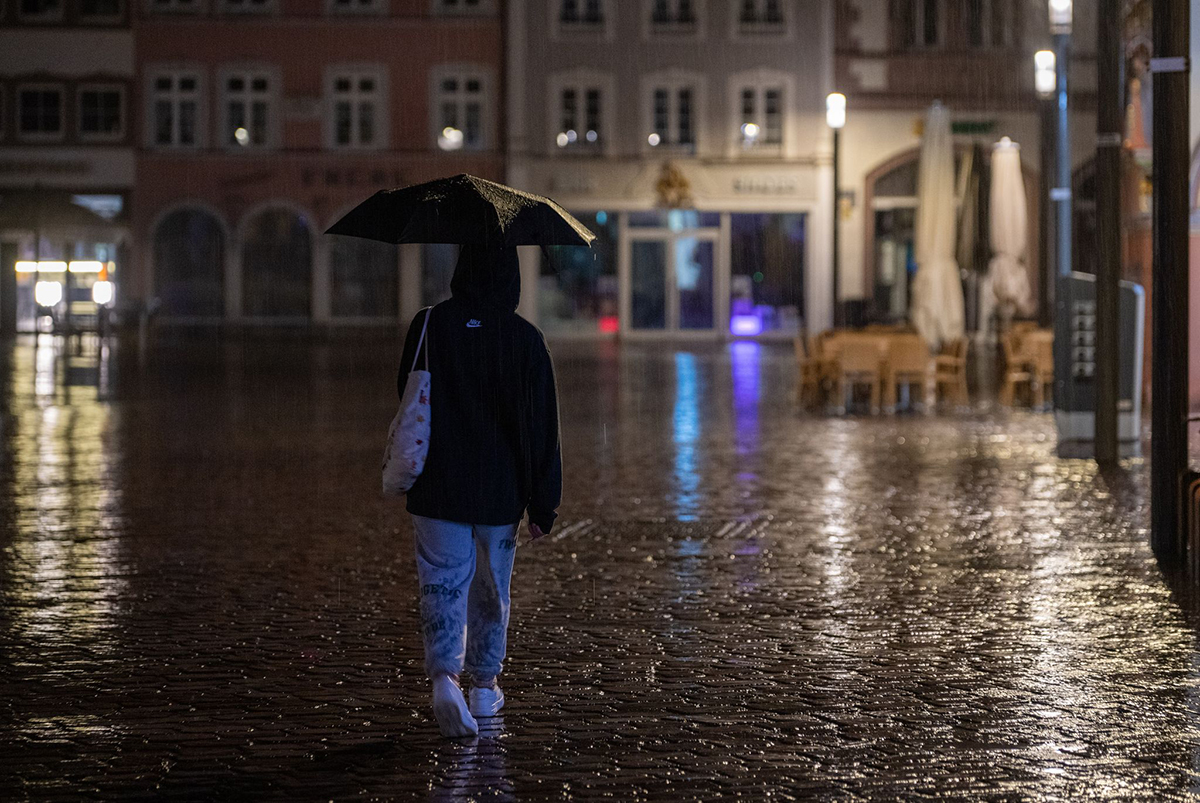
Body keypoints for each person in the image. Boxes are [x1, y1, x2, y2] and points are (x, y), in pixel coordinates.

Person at [397, 243, 562, 738]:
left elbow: (407, 396)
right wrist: (543, 502)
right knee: (491, 591)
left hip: (436, 484)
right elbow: (541, 428)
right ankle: (485, 687)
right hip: (499, 491)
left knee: (442, 581)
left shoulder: (428, 326)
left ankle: (444, 675)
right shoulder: (525, 340)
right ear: (512, 280)